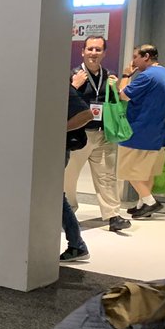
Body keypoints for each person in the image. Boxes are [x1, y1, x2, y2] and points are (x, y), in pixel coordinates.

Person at [65, 35, 130, 231]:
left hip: (103, 134)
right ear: (82, 52)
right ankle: (68, 213)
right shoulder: (73, 75)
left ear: (104, 53)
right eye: (90, 49)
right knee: (69, 177)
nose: (94, 53)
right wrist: (74, 86)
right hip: (79, 134)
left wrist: (117, 88)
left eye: (98, 49)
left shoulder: (109, 76)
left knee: (107, 176)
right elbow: (62, 101)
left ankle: (113, 215)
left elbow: (120, 100)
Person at [118, 44, 165, 218]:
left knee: (129, 170)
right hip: (159, 132)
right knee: (146, 172)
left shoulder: (147, 76)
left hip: (139, 131)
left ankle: (150, 202)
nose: (133, 61)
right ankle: (142, 205)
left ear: (146, 56)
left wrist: (127, 75)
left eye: (136, 57)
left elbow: (123, 95)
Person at [60, 85, 97, 262]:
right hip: (36, 147)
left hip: (54, 149)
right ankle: (76, 244)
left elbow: (87, 114)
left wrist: (57, 130)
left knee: (54, 196)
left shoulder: (61, 88)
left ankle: (76, 244)